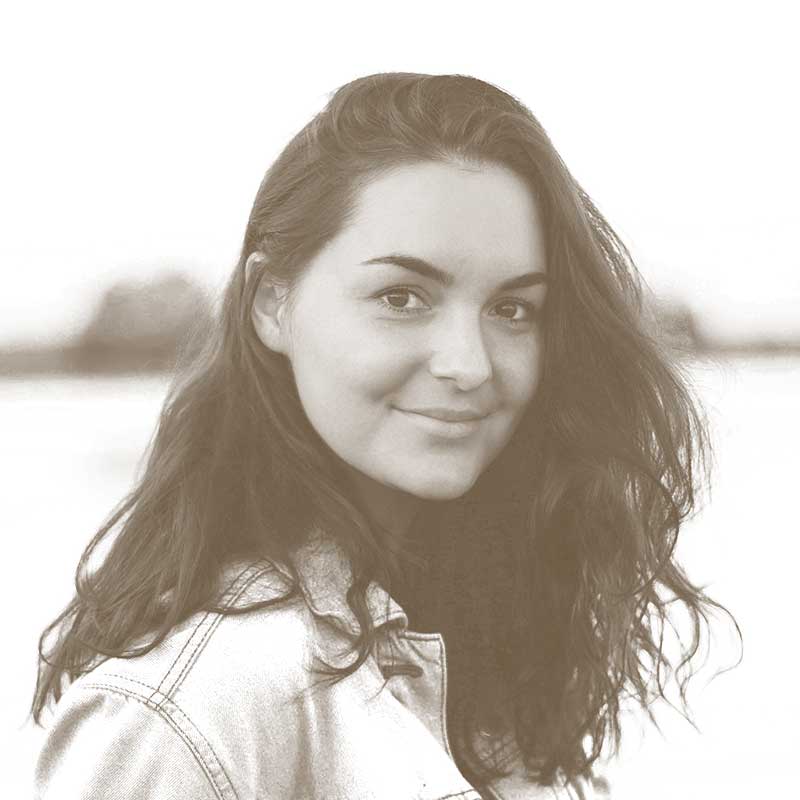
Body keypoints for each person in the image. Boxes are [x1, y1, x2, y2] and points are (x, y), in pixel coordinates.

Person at [31, 72, 736, 799]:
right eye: (402, 297)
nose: (469, 364)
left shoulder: (480, 637)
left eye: (512, 308)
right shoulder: (195, 712)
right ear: (272, 302)